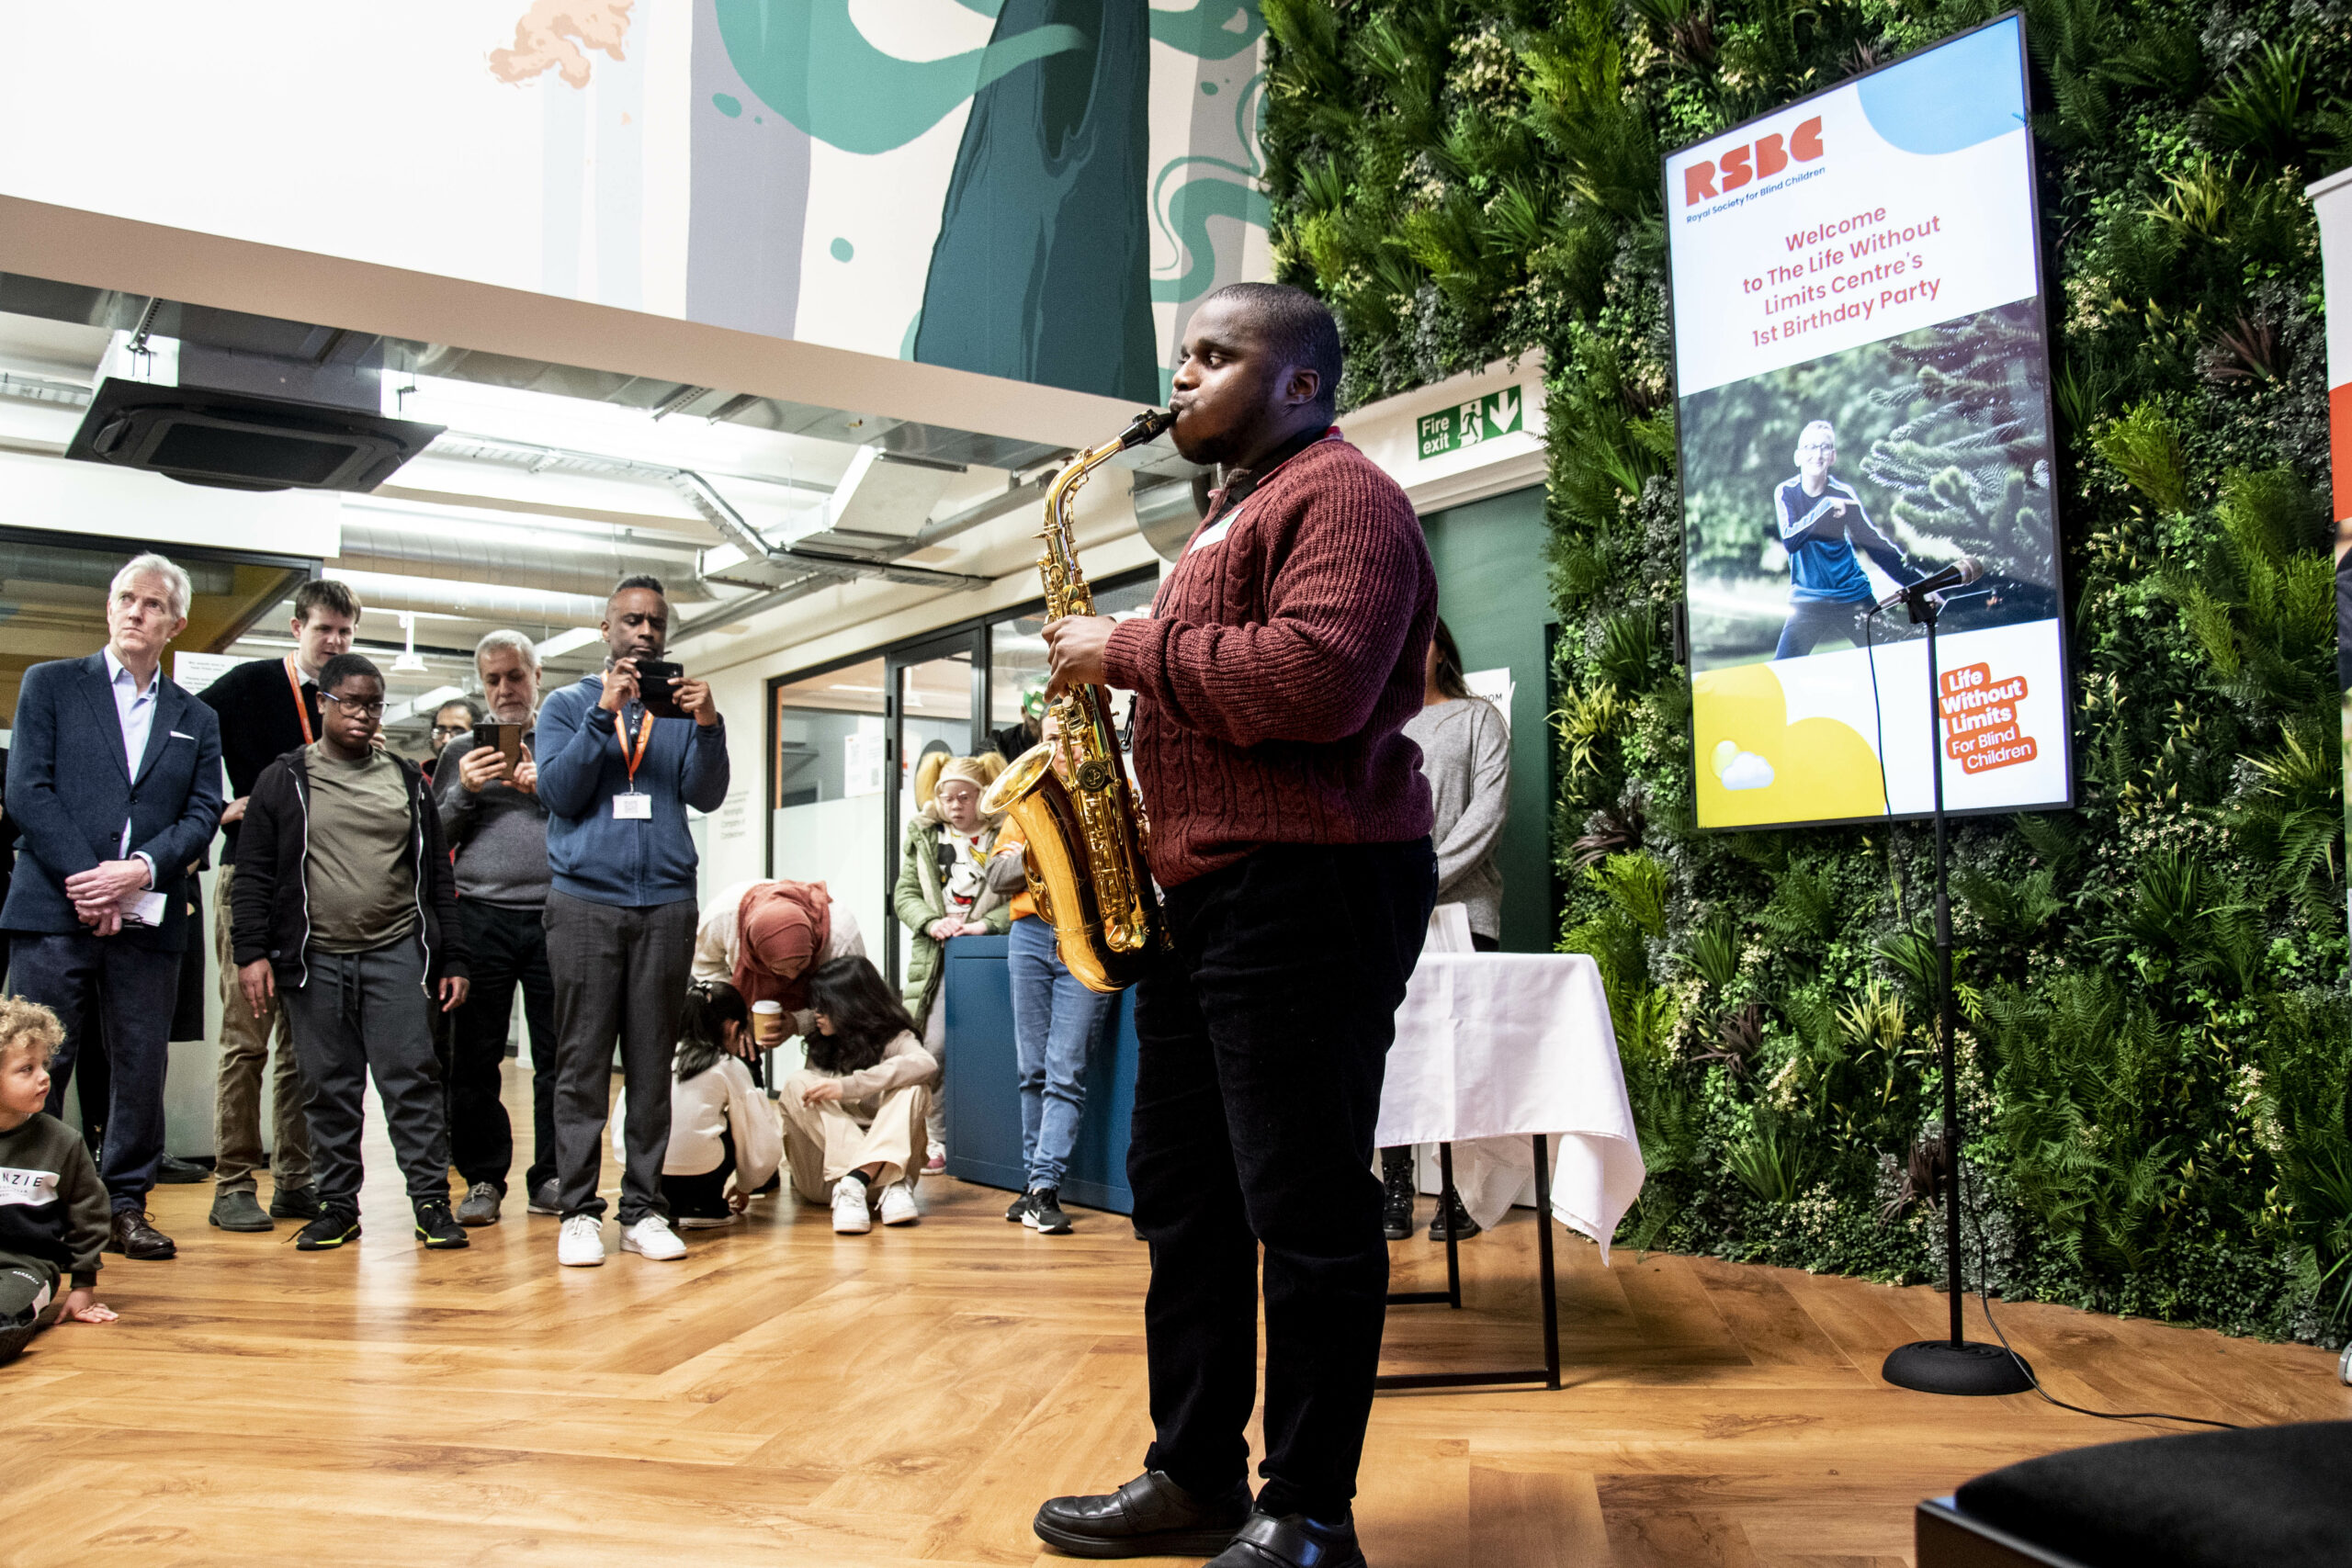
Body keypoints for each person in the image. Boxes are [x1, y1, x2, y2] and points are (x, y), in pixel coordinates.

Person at [1030, 282, 1437, 1568]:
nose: (1185, 377)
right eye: (1184, 354)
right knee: (1186, 1196)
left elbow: (1316, 681)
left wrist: (1128, 650)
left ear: (1301, 383)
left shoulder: (1347, 498)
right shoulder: (1227, 512)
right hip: (1211, 895)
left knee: (1307, 1205)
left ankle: (1311, 1507)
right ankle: (1195, 1471)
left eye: (1217, 354)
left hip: (1311, 884)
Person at [5, 552, 224, 1264]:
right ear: (109, 607)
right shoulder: (51, 685)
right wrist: (89, 880)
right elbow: (26, 791)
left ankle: (124, 1205)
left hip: (149, 913)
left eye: (154, 604)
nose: (137, 610)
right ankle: (25, 1207)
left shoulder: (198, 715)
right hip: (52, 909)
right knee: (36, 1061)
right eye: (127, 598)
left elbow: (203, 809)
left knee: (138, 1065)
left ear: (176, 623)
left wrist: (138, 869)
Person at [232, 654, 472, 1252]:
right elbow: (254, 874)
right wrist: (251, 951)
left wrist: (455, 957)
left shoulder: (405, 779)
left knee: (412, 1079)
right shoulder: (283, 779)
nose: (364, 714)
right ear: (323, 702)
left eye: (374, 704)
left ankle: (431, 1204)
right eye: (352, 702)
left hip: (396, 953)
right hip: (316, 963)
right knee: (327, 1086)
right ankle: (337, 1206)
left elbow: (437, 877)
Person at [536, 574, 729, 1269]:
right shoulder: (565, 704)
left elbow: (707, 794)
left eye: (654, 622)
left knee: (652, 1064)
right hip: (586, 900)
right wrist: (603, 714)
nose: (644, 632)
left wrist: (709, 726)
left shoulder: (680, 712)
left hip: (667, 903)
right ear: (606, 628)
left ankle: (643, 1209)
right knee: (583, 1063)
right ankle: (579, 1211)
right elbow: (558, 791)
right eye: (631, 621)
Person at [196, 577, 360, 1234]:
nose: (335, 642)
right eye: (324, 629)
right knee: (247, 1040)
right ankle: (233, 1182)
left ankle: (295, 1178)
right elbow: (176, 731)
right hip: (252, 882)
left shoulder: (345, 700)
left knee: (304, 1046)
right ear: (297, 628)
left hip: (317, 888)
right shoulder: (246, 685)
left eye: (346, 632)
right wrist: (214, 806)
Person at [1382, 616, 1509, 1243]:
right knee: (1395, 1054)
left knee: (1462, 1057)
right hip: (1394, 915)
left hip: (1466, 912)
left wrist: (1425, 875)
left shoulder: (1480, 717)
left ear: (1442, 650)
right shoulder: (1382, 728)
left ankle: (1462, 1191)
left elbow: (1488, 813)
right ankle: (1397, 1186)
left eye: (1420, 640)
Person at [435, 630, 561, 1226]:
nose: (505, 689)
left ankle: (555, 1174)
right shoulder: (461, 749)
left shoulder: (565, 740)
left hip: (555, 912)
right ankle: (484, 1176)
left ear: (538, 675)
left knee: (561, 1054)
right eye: (493, 679)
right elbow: (433, 839)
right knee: (474, 1056)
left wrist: (548, 787)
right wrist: (465, 787)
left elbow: (590, 820)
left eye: (516, 675)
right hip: (479, 913)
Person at [988, 710, 1115, 1235]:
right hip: (1030, 936)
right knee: (1031, 1071)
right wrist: (1052, 840)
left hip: (1085, 937)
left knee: (1066, 1069)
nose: (1058, 748)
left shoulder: (1106, 794)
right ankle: (1032, 1185)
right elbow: (996, 874)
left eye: (1066, 738)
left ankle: (1043, 1185)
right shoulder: (1026, 804)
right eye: (1048, 740)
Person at [893, 751, 1010, 1174]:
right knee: (934, 1049)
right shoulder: (925, 835)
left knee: (991, 1051)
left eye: (964, 797)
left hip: (988, 959)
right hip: (938, 957)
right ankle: (938, 1138)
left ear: (984, 795)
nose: (956, 806)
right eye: (948, 798)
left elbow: (1026, 895)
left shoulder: (1007, 832)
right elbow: (903, 895)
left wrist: (988, 926)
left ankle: (991, 1142)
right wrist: (930, 922)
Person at [779, 955, 935, 1235]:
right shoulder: (821, 1042)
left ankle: (858, 1179)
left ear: (849, 1006)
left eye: (823, 1006)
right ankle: (857, 1178)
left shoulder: (895, 1040)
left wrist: (849, 1086)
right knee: (797, 1083)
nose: (815, 1014)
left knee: (914, 1086)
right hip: (829, 1181)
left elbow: (926, 1063)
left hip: (892, 1188)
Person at [0, 998, 118, 1367]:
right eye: (26, 1069)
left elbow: (89, 1216)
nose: (44, 1077)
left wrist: (83, 1286)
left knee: (5, 1312)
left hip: (25, 1267)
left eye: (44, 1064)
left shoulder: (63, 1143)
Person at [622, 981, 781, 1228]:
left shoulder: (654, 1056)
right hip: (701, 1174)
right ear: (733, 1028)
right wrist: (747, 1184)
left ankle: (663, 1206)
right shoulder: (727, 1065)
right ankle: (704, 1205)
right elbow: (761, 1138)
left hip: (644, 1172)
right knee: (736, 1121)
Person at [1769, 420, 1921, 660]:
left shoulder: (1844, 495)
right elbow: (1791, 540)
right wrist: (1826, 506)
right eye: (1809, 447)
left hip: (1853, 597)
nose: (1817, 454)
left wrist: (1920, 584)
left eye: (1824, 447)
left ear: (1833, 456)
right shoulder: (1786, 492)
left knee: (1890, 660)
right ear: (1798, 457)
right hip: (1807, 602)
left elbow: (1877, 546)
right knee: (1783, 668)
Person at [691, 876, 866, 1045]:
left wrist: (799, 1022)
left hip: (831, 1008)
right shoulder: (723, 917)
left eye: (801, 964)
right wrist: (738, 1009)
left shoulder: (841, 938)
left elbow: (851, 1001)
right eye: (779, 970)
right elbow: (702, 964)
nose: (791, 976)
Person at [422, 696, 482, 783]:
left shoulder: (491, 780)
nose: (446, 740)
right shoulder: (416, 781)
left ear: (476, 736)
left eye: (458, 732)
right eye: (440, 730)